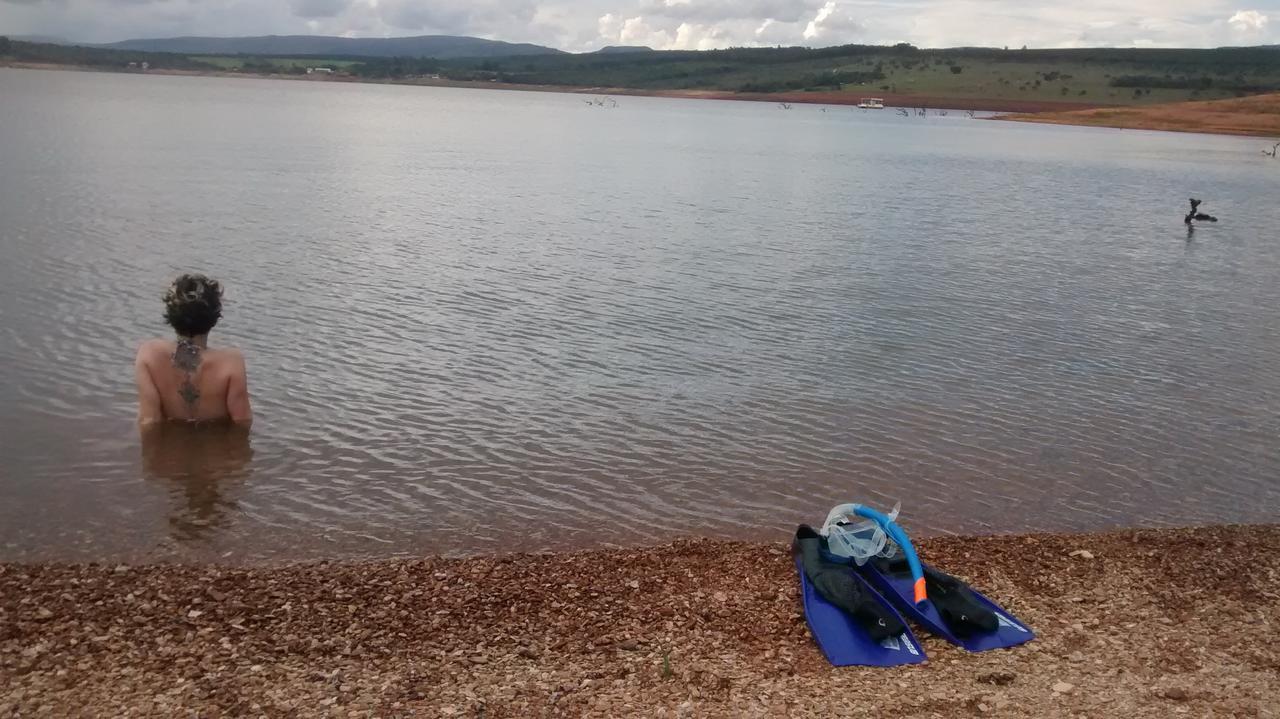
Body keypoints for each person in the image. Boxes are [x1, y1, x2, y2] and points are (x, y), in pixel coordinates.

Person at [135, 274, 252, 424]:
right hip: (213, 443)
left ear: (171, 316)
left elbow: (149, 420)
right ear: (214, 318)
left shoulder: (149, 355)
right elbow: (242, 422)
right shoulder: (231, 363)